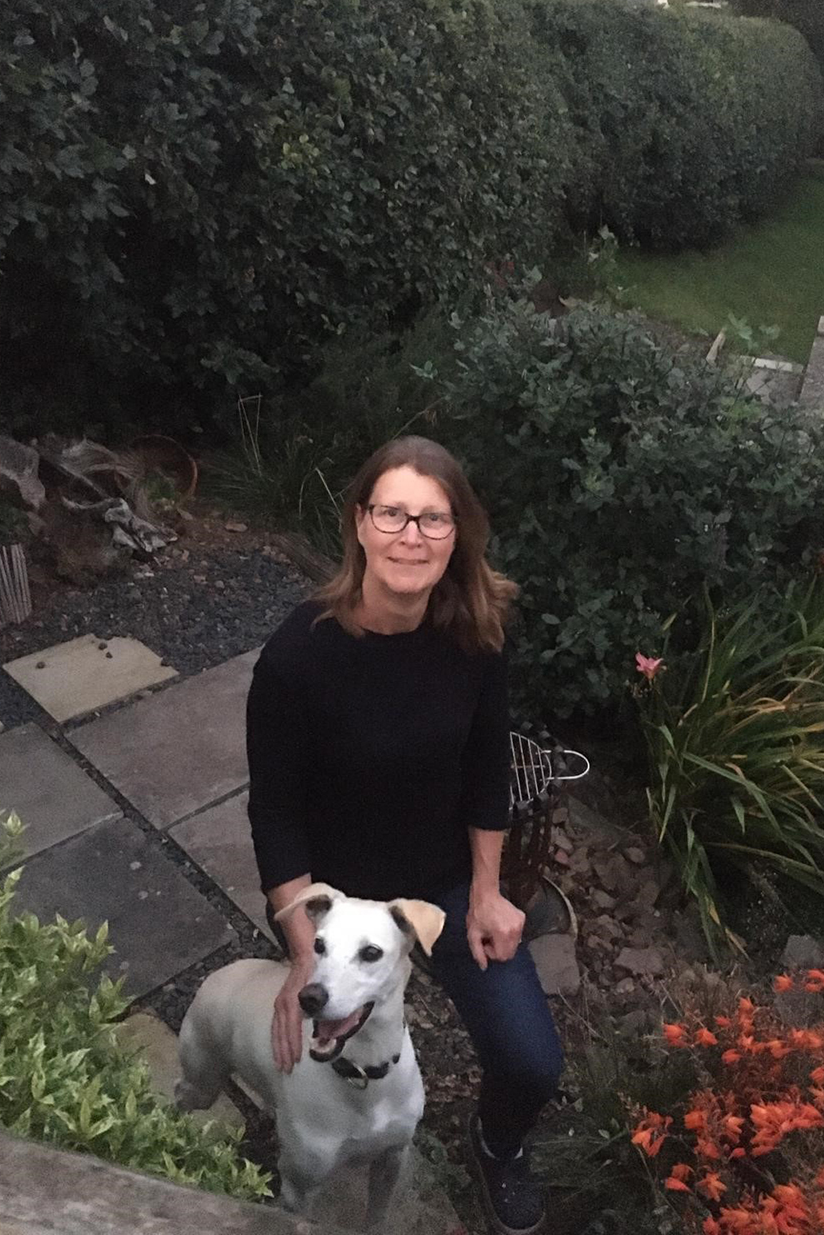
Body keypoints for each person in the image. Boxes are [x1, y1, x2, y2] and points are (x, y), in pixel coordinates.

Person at [246, 434, 562, 1235]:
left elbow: (489, 771)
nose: (410, 535)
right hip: (341, 903)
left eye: (432, 518)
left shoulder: (476, 639)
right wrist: (302, 952)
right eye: (392, 513)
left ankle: (494, 1143)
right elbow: (274, 811)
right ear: (359, 523)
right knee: (320, 1050)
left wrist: (488, 891)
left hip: (447, 885)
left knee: (532, 1059)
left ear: (458, 535)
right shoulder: (297, 658)